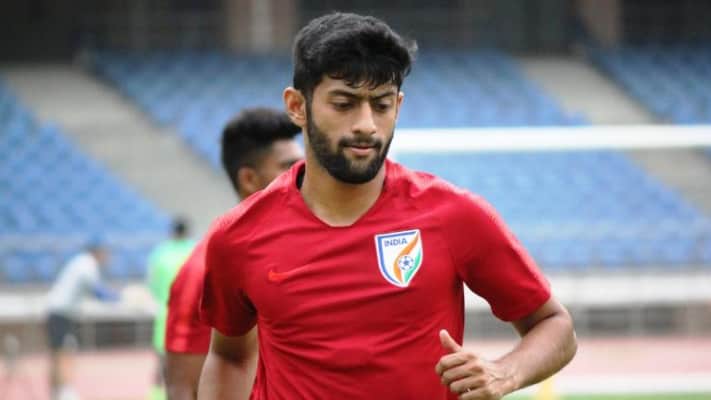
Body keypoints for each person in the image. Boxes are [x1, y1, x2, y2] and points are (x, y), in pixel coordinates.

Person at [199, 12, 577, 400]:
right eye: (344, 103)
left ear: (398, 105)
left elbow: (554, 324)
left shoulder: (453, 215)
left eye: (381, 105)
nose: (366, 124)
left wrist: (505, 373)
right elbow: (229, 356)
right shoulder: (238, 236)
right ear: (297, 106)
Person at [164, 108, 303, 400]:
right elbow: (182, 386)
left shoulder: (305, 248)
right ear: (249, 179)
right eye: (288, 166)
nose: (302, 175)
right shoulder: (203, 268)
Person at [46, 240, 118, 400]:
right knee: (64, 352)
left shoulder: (79, 262)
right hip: (62, 314)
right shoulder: (87, 264)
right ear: (98, 252)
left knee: (57, 353)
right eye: (106, 253)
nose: (107, 258)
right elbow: (99, 292)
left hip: (56, 312)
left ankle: (56, 393)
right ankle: (65, 392)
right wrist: (120, 297)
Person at [146, 217, 195, 400]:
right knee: (192, 365)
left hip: (166, 315)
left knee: (162, 364)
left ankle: (156, 396)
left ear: (171, 232)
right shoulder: (196, 250)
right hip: (193, 317)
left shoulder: (159, 253)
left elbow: (153, 286)